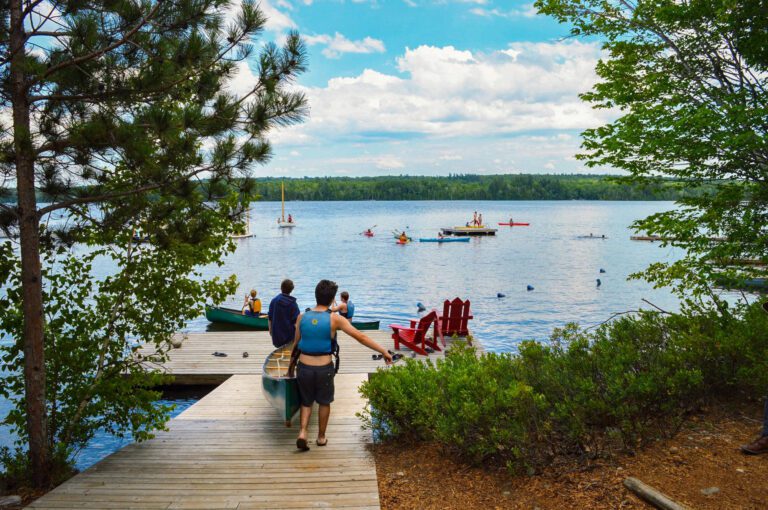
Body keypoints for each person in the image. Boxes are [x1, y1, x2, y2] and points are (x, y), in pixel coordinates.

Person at [290, 280, 392, 451]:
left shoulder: (302, 317)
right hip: (324, 369)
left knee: (306, 402)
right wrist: (383, 351)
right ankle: (321, 437)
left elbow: (295, 345)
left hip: (304, 367)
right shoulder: (334, 319)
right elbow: (361, 337)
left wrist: (290, 367)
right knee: (324, 402)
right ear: (331, 300)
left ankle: (302, 432)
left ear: (316, 296)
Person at [268, 279, 300, 348]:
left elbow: (270, 318)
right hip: (289, 339)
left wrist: (271, 331)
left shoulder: (274, 301)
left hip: (276, 338)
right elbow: (296, 323)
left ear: (281, 288)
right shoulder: (293, 304)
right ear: (291, 290)